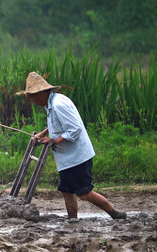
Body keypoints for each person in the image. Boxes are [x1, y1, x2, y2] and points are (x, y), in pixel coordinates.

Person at [17, 71, 127, 221]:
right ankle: (72, 219)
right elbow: (57, 125)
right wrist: (43, 134)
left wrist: (53, 141)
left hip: (77, 157)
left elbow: (75, 129)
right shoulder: (50, 104)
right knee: (67, 191)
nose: (32, 101)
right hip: (67, 158)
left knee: (84, 193)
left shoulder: (58, 105)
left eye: (32, 96)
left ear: (41, 93)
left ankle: (114, 213)